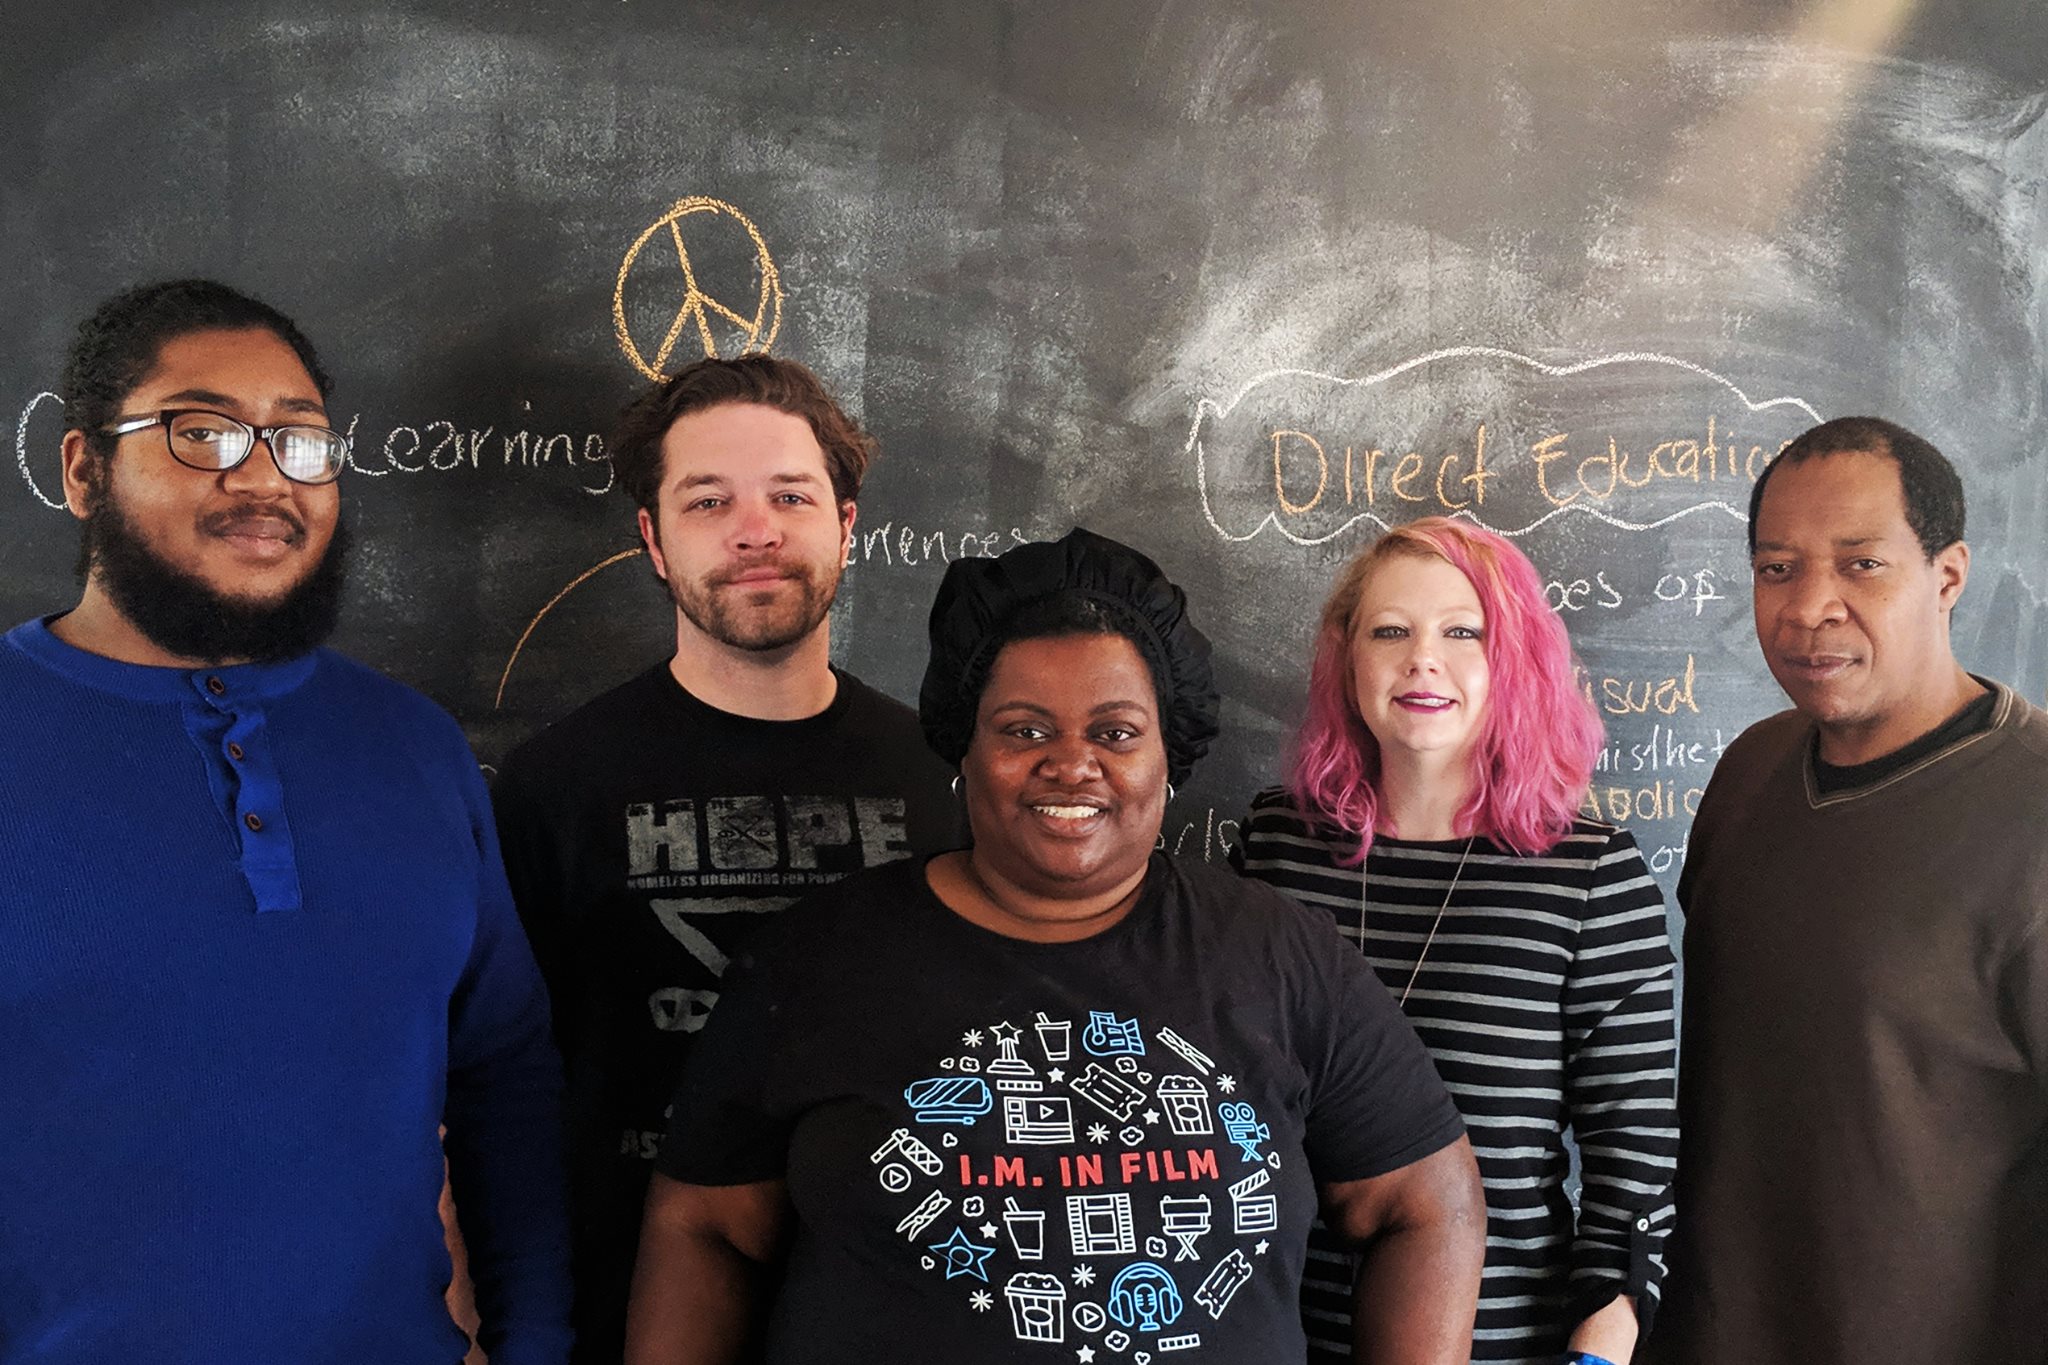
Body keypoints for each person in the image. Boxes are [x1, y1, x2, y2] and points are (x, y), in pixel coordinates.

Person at [625, 527, 1488, 1365]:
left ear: (1168, 755)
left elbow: (1428, 1201)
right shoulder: (819, 957)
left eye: (1115, 732)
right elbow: (704, 1225)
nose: (1071, 764)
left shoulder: (1280, 952)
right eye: (1024, 730)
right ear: (964, 745)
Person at [0, 279, 570, 1363]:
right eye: (201, 431)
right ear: (83, 470)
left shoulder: (414, 747)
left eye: (300, 440)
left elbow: (502, 1070)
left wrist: (535, 1344)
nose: (262, 476)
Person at [492, 355, 962, 1361]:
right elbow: (498, 1087)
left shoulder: (944, 778)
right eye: (709, 501)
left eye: (789, 495)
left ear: (844, 525)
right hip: (620, 1312)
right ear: (654, 542)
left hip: (894, 1313)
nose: (756, 529)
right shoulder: (551, 787)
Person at [1650, 418, 2048, 1364]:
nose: (1808, 606)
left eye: (1861, 564)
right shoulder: (1751, 770)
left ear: (1946, 577)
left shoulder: (2033, 809)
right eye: (1777, 567)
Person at [1237, 516, 1678, 1365]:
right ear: (1350, 659)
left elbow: (1634, 1159)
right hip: (1275, 1337)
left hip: (1496, 1345)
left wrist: (1599, 1352)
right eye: (1391, 630)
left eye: (1462, 631)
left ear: (1511, 660)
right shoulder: (1276, 847)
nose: (1422, 659)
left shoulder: (1589, 874)